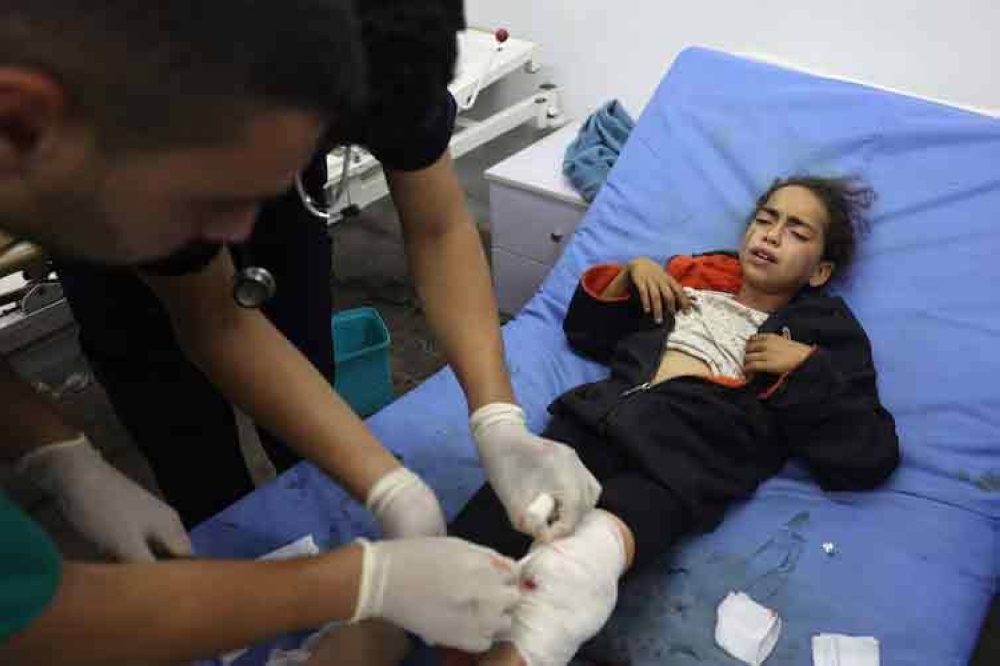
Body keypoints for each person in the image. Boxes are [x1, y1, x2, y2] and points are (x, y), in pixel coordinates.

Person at [0, 2, 599, 663]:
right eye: (209, 201)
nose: (235, 243)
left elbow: (434, 227)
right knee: (187, 439)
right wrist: (356, 585)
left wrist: (492, 421)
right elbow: (33, 623)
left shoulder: (378, 46)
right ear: (26, 121)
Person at [308, 176, 902, 666]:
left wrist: (806, 371)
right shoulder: (689, 277)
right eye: (765, 218)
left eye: (796, 232)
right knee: (443, 574)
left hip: (676, 470)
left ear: (819, 271)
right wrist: (627, 278)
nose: (771, 235)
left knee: (566, 582)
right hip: (584, 433)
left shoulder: (825, 334)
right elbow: (586, 332)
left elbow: (866, 456)